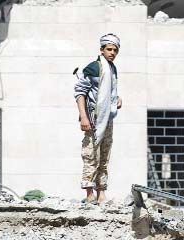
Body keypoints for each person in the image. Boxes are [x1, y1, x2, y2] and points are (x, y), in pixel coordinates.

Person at [74, 33, 122, 204]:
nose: (112, 53)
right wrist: (84, 117)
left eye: (115, 50)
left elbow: (108, 92)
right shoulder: (95, 67)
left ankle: (101, 192)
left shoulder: (112, 68)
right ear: (102, 49)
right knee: (90, 155)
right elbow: (80, 92)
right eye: (109, 49)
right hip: (94, 120)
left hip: (107, 119)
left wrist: (116, 100)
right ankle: (89, 194)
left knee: (104, 157)